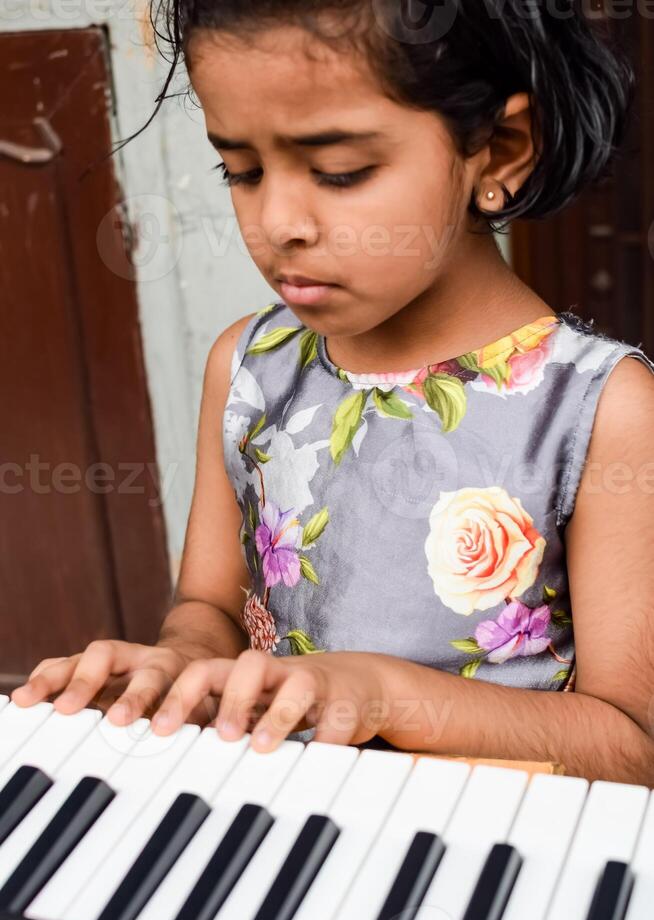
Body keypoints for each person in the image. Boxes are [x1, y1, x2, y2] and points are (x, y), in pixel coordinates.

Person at [13, 0, 654, 784]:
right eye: (240, 170)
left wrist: (384, 695)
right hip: (289, 820)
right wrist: (182, 665)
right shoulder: (249, 365)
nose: (277, 222)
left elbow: (629, 747)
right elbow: (208, 606)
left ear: (500, 149)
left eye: (339, 171)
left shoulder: (598, 409)